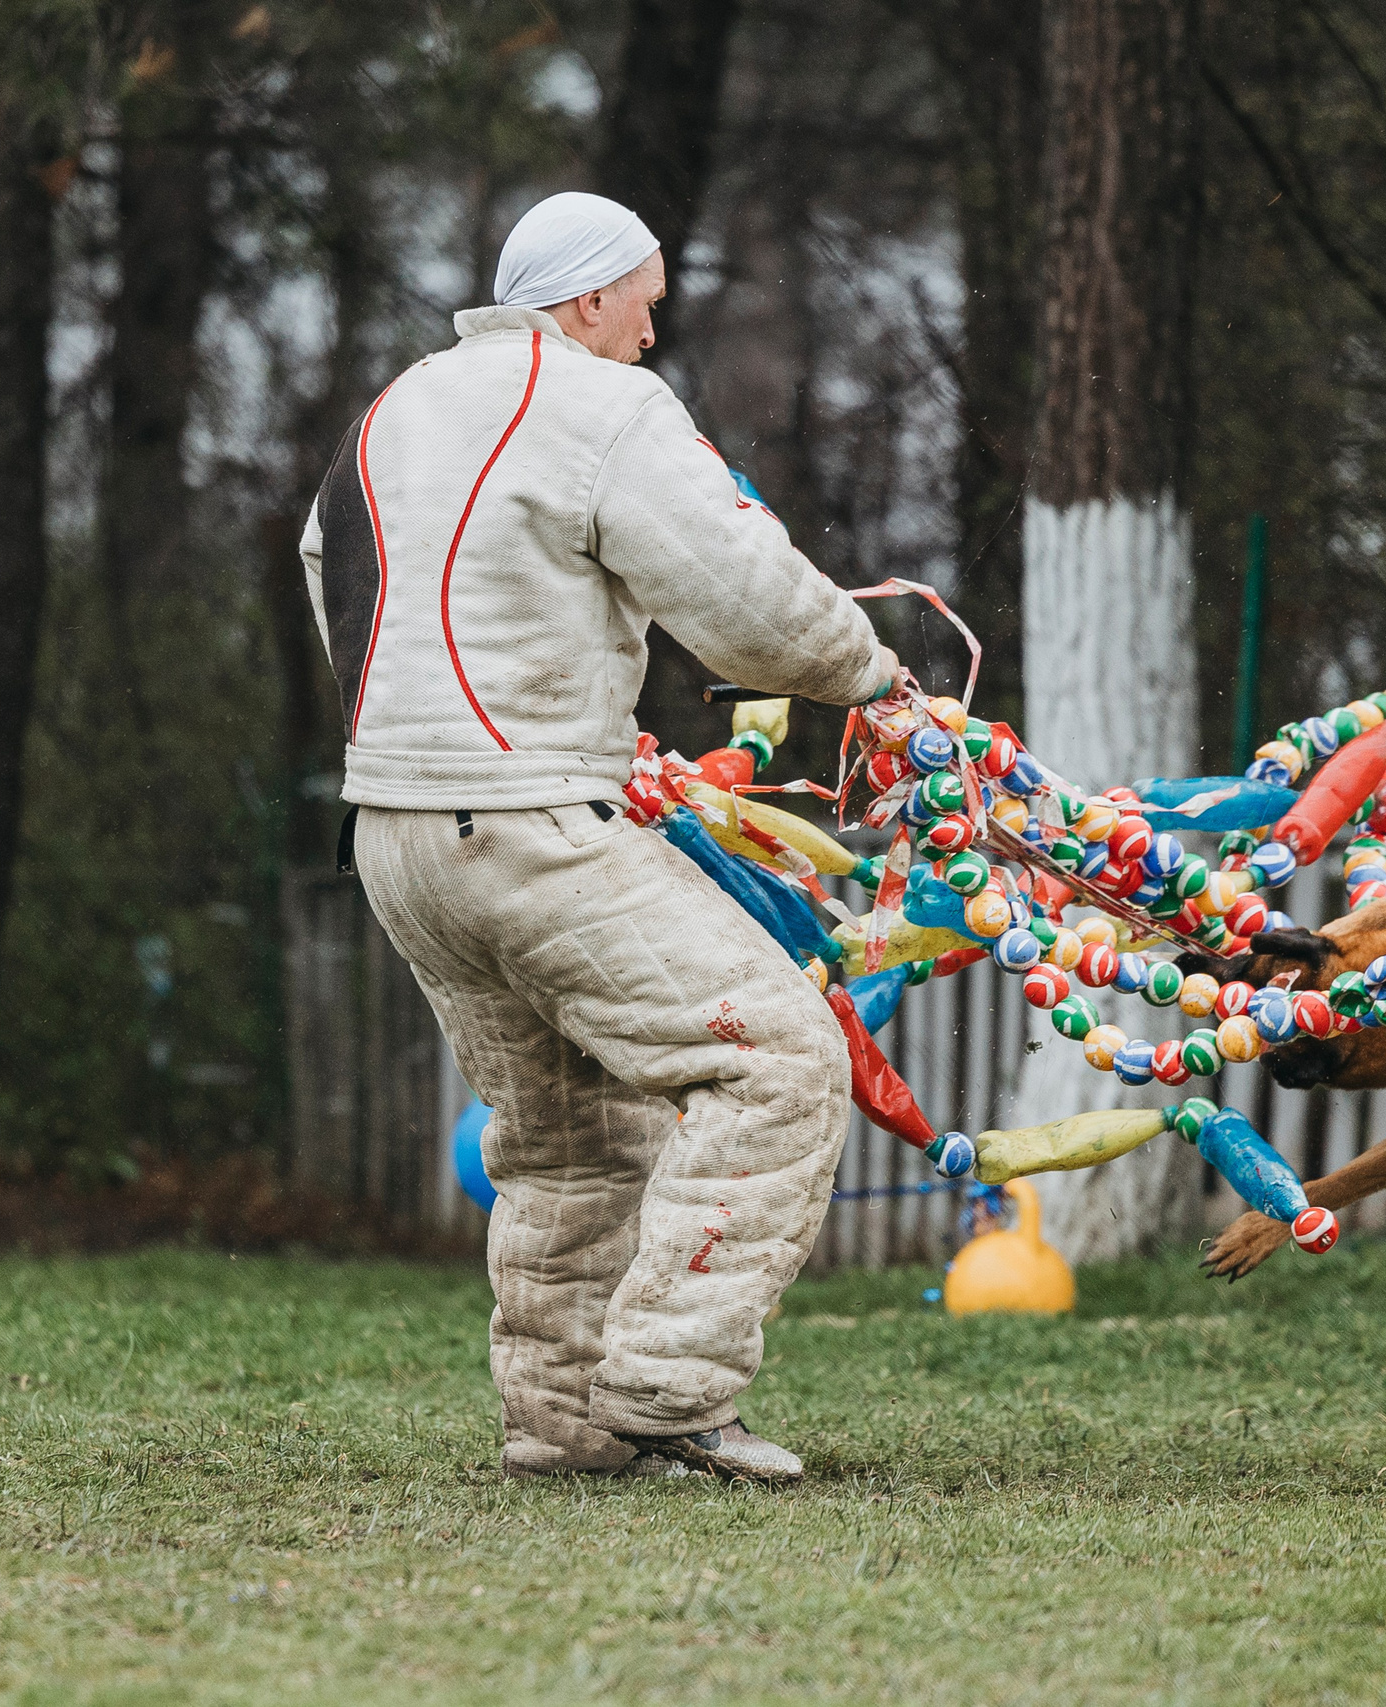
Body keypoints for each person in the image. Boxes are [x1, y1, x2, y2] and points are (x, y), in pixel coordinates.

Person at [299, 191, 898, 1483]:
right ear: (583, 300)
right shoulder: (601, 408)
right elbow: (743, 599)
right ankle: (672, 1391)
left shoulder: (391, 413)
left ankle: (565, 1423)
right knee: (779, 1062)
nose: (651, 328)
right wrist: (871, 677)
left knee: (566, 1138)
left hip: (398, 836)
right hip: (527, 825)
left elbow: (327, 570)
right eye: (645, 299)